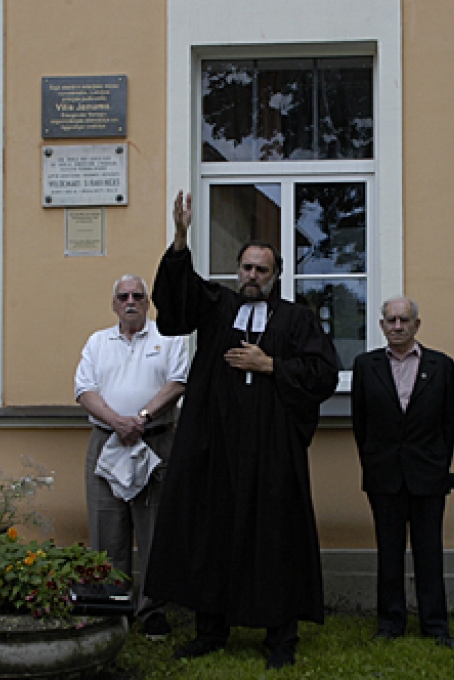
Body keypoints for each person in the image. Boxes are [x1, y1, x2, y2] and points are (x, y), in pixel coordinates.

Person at [143, 190, 339, 670]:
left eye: (262, 270)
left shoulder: (297, 318)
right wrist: (181, 239)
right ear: (238, 270)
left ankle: (280, 636)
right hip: (216, 448)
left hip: (272, 452)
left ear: (276, 276)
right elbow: (176, 303)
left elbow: (323, 374)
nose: (253, 276)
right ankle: (210, 630)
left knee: (276, 538)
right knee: (211, 533)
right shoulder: (218, 307)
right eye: (247, 268)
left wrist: (270, 365)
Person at [74, 273, 188, 640]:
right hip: (107, 442)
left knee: (154, 530)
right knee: (108, 529)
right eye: (123, 296)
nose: (130, 302)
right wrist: (117, 421)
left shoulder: (169, 338)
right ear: (113, 304)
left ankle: (152, 610)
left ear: (148, 302)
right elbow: (84, 389)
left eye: (137, 296)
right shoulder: (97, 342)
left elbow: (178, 382)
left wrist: (141, 418)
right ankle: (113, 606)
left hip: (153, 442)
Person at [351, 297, 454, 647]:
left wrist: (439, 467)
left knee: (430, 552)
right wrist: (373, 464)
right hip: (384, 476)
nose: (397, 326)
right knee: (389, 552)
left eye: (404, 320)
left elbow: (448, 424)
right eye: (391, 320)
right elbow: (360, 423)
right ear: (381, 325)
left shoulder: (441, 366)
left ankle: (435, 625)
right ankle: (390, 623)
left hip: (428, 475)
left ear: (416, 324)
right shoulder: (365, 366)